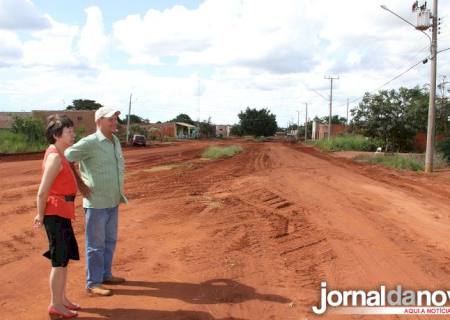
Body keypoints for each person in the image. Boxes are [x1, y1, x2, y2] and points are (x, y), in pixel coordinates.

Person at [65, 106, 127, 296]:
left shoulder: (115, 140)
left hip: (112, 200)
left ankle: (106, 274)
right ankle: (93, 282)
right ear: (98, 121)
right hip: (96, 203)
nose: (114, 122)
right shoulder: (89, 142)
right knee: (95, 244)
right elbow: (66, 158)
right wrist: (80, 184)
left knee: (110, 241)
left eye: (115, 119)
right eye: (110, 119)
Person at [34, 115, 81, 319]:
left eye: (73, 130)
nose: (73, 134)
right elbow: (42, 191)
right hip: (55, 213)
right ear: (56, 135)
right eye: (69, 131)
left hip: (62, 212)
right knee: (58, 261)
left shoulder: (60, 154)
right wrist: (40, 214)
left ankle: (62, 299)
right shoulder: (54, 157)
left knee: (64, 259)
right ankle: (55, 304)